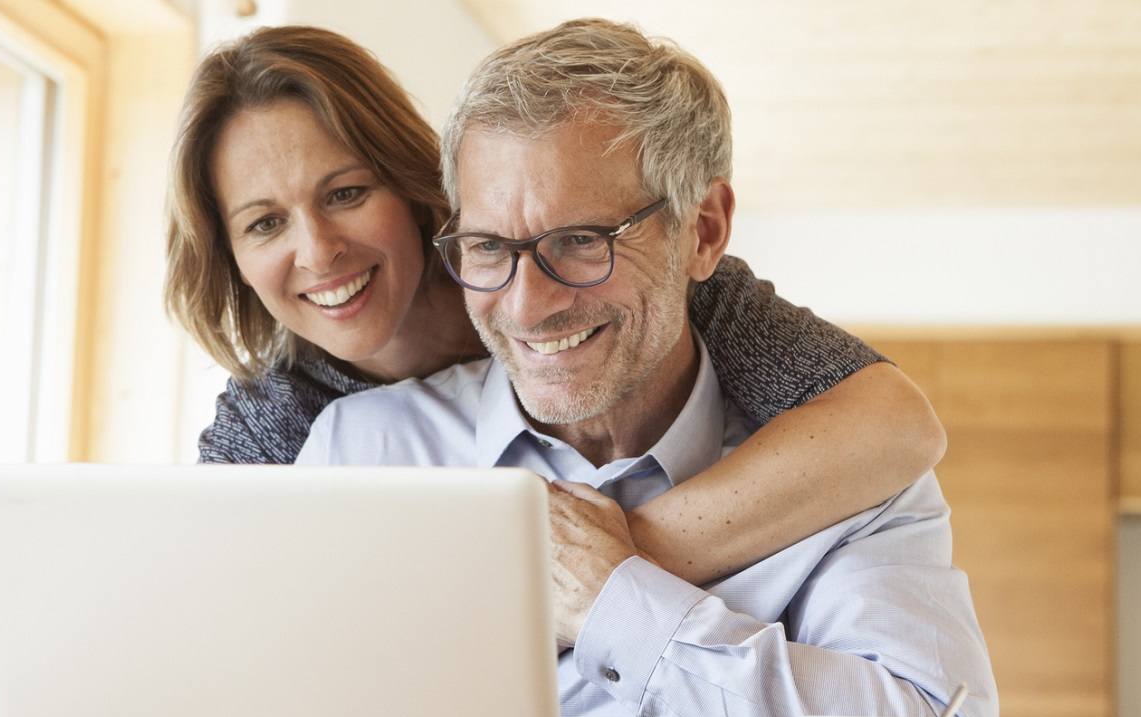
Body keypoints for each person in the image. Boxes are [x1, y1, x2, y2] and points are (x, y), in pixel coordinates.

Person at [297, 18, 999, 717]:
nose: (526, 306)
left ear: (703, 230)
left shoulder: (854, 483)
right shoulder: (362, 451)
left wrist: (621, 608)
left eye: (580, 242)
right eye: (488, 248)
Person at [164, 26, 945, 593]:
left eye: (345, 193)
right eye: (264, 222)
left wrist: (611, 565)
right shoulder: (278, 419)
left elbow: (896, 424)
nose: (318, 250)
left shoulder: (667, 288)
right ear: (228, 254)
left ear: (412, 187)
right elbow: (207, 600)